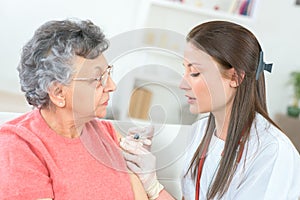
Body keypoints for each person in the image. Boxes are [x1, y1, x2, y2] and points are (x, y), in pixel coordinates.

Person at [120, 20, 300, 199]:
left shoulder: (271, 151)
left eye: (195, 73)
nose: (183, 84)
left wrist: (154, 187)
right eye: (184, 71)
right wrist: (148, 173)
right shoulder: (200, 131)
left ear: (235, 77)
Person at [0, 19, 148, 199]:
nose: (112, 86)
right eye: (97, 78)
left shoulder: (107, 134)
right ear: (58, 93)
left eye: (108, 73)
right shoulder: (21, 146)